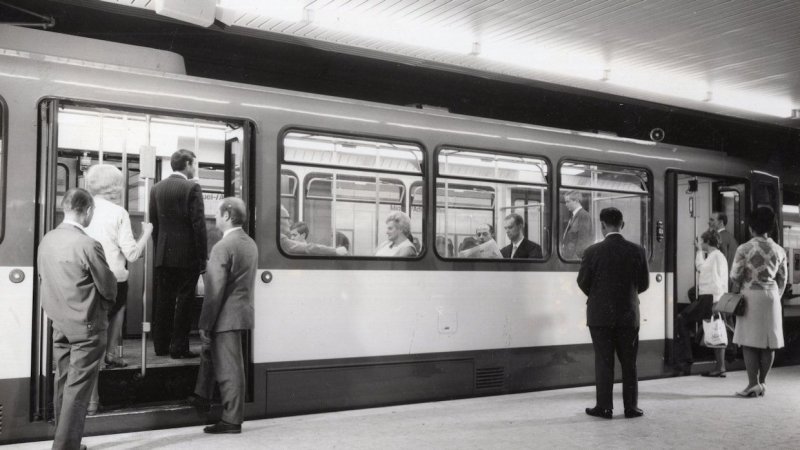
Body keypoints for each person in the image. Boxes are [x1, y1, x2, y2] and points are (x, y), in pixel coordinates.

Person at [38, 188, 118, 450]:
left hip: (59, 323)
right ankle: (66, 447)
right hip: (87, 326)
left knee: (63, 381)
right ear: (88, 211)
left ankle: (63, 439)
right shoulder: (87, 244)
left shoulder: (47, 239)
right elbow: (108, 287)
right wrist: (103, 308)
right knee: (78, 388)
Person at [84, 164, 153, 414]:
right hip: (114, 280)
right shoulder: (118, 212)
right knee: (117, 310)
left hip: (88, 280)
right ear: (115, 187)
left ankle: (92, 396)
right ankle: (111, 354)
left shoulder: (84, 209)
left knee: (91, 339)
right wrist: (146, 233)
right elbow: (132, 254)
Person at [189, 198, 257, 434]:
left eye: (217, 214)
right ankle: (201, 396)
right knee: (214, 355)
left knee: (229, 368)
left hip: (225, 315)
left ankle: (231, 419)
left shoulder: (222, 247)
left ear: (227, 215)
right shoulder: (249, 243)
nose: (214, 217)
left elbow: (214, 291)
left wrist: (205, 323)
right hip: (239, 312)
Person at [577, 207, 649, 419]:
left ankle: (605, 407)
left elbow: (582, 282)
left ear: (602, 225)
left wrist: (599, 296)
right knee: (629, 362)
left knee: (603, 361)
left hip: (600, 316)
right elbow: (643, 284)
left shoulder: (592, 251)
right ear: (622, 224)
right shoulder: (637, 251)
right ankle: (631, 407)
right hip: (628, 314)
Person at [150, 149, 207, 359]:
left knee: (163, 299)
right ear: (187, 164)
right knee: (185, 300)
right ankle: (179, 348)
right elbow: (198, 225)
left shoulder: (156, 188)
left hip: (164, 254)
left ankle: (161, 346)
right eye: (195, 164)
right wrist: (202, 258)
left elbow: (155, 224)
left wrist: (160, 251)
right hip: (187, 256)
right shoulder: (192, 187)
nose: (195, 168)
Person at [729, 206, 787, 398]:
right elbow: (783, 279)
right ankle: (763, 383)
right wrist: (775, 295)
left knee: (749, 342)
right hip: (771, 297)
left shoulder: (744, 248)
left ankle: (752, 383)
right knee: (768, 342)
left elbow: (735, 276)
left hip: (750, 295)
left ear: (751, 226)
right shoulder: (779, 250)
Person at [674, 230, 728, 377]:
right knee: (716, 328)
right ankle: (720, 367)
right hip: (712, 297)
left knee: (682, 319)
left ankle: (687, 358)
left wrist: (698, 251)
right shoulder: (717, 256)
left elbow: (701, 269)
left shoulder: (715, 256)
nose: (701, 243)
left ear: (707, 242)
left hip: (710, 297)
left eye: (702, 241)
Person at [279, 206, 347, 256]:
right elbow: (309, 248)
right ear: (279, 220)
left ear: (303, 236)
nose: (289, 223)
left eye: (294, 235)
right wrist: (335, 251)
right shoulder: (281, 239)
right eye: (287, 219)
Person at [562, 191, 593, 259]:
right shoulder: (574, 216)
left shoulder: (583, 216)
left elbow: (584, 240)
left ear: (576, 201)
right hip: (569, 257)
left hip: (575, 259)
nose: (566, 204)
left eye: (568, 201)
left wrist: (576, 258)